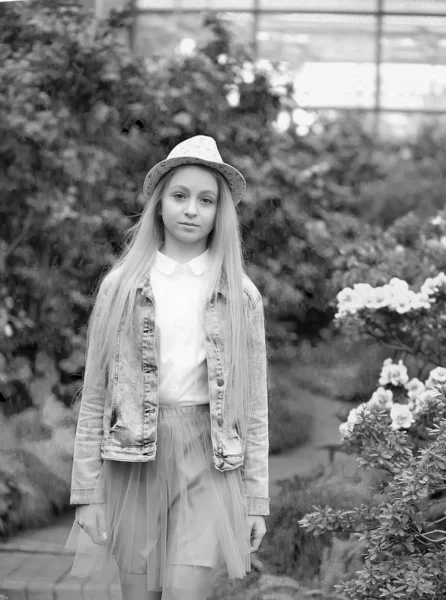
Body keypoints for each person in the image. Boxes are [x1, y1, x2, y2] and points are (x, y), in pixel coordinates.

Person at [65, 135, 270, 600]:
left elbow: (254, 405)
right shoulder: (121, 287)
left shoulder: (241, 296)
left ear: (221, 212)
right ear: (159, 204)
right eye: (180, 196)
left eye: (206, 200)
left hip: (207, 462)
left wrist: (256, 501)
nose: (191, 209)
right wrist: (88, 493)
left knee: (185, 591)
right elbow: (95, 393)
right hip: (133, 461)